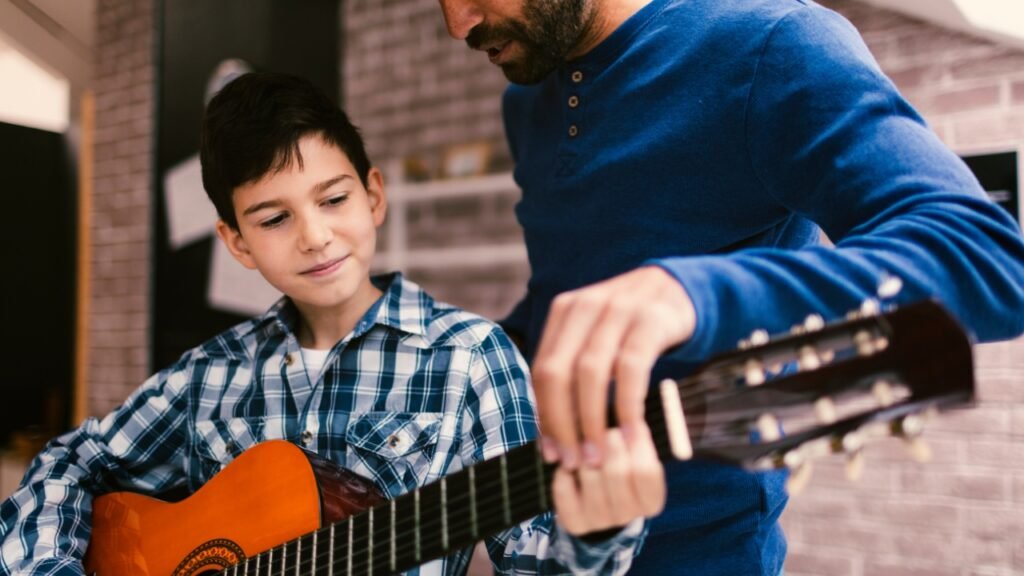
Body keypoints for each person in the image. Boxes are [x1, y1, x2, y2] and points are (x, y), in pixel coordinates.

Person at [436, 0, 1024, 574]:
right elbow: (561, 294)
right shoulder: (527, 100)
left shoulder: (774, 44)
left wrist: (691, 294)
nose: (455, 22)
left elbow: (990, 260)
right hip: (550, 543)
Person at [0, 72, 666, 575]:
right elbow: (68, 462)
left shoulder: (469, 357)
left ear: (373, 196)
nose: (315, 237)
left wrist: (599, 529)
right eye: (274, 218)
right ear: (236, 243)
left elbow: (533, 559)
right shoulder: (209, 375)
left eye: (333, 199)